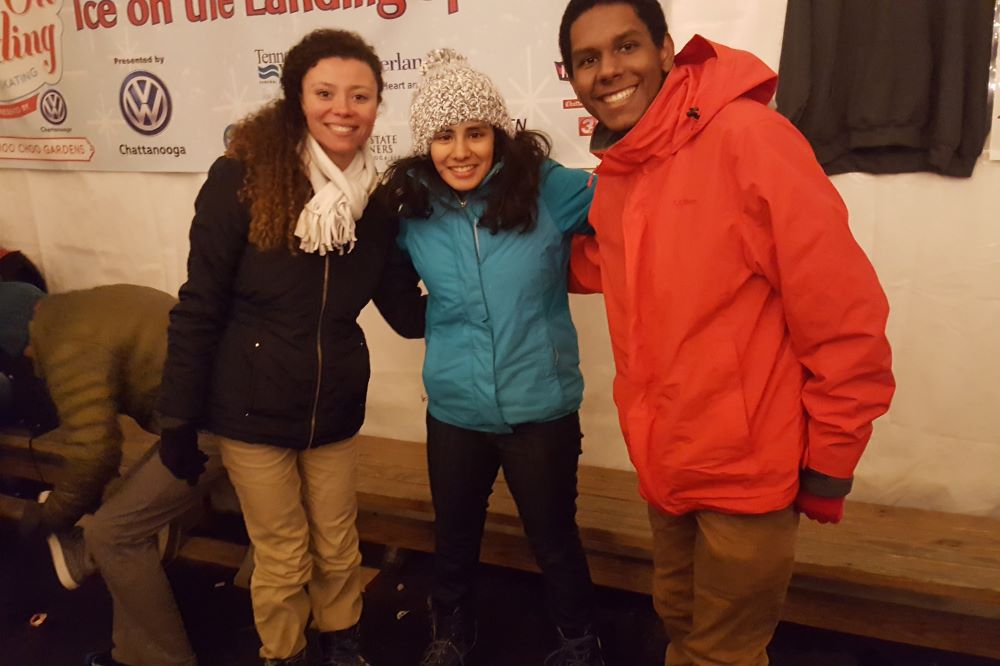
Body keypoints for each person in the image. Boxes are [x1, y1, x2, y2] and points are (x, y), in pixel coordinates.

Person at [558, 1, 895, 664]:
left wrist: (829, 462)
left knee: (722, 653)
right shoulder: (623, 173)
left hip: (747, 474)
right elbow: (613, 267)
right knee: (680, 623)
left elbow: (843, 314)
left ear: (665, 49)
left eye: (625, 47)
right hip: (666, 467)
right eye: (587, 59)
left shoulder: (748, 138)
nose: (607, 71)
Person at [150, 28, 425, 666]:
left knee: (336, 545)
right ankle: (284, 653)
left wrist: (481, 287)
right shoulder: (241, 179)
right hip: (249, 408)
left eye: (360, 95)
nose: (343, 108)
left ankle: (343, 645)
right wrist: (177, 419)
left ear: (378, 105)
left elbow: (405, 311)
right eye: (325, 92)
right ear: (296, 97)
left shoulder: (377, 203)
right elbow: (200, 304)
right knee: (282, 550)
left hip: (331, 406)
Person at [379, 49, 603, 666]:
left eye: (475, 132)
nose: (460, 151)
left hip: (542, 406)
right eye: (444, 135)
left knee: (554, 539)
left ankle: (580, 642)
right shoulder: (411, 206)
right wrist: (425, 323)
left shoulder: (549, 188)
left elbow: (631, 208)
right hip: (454, 409)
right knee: (453, 538)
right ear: (426, 143)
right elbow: (385, 270)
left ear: (497, 135)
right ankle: (450, 635)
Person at [0, 282, 174, 534]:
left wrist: (48, 519)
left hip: (206, 419)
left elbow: (94, 453)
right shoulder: (80, 306)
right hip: (215, 398)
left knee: (112, 534)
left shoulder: (64, 346)